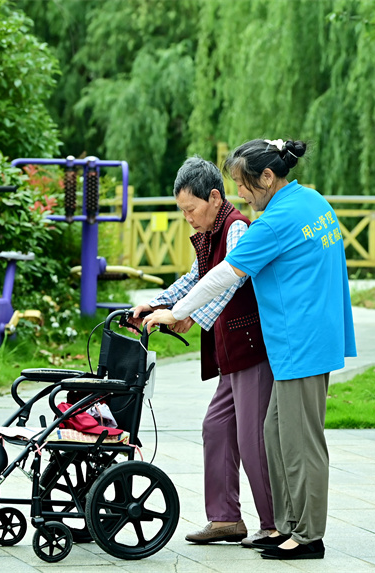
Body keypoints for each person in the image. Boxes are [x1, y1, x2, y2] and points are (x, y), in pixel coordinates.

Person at [143, 139, 357, 561]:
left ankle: (308, 536)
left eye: (243, 184)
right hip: (307, 336)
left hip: (301, 341)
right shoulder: (311, 202)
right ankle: (285, 527)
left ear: (267, 177)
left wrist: (176, 312)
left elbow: (224, 275)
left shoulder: (273, 223)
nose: (240, 194)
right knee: (276, 436)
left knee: (300, 444)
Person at [130, 156, 276, 548]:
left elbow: (227, 282)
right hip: (232, 356)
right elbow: (196, 277)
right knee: (216, 427)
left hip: (251, 352)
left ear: (213, 197)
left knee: (251, 440)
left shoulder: (237, 228)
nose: (188, 218)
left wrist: (186, 315)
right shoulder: (213, 231)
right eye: (182, 212)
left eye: (190, 209)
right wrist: (155, 304)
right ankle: (226, 519)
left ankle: (274, 524)